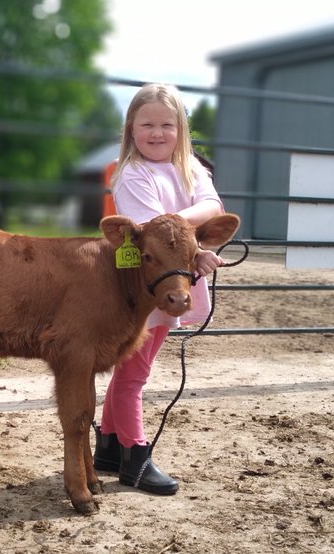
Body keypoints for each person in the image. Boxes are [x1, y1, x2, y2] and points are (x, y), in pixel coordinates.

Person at [94, 83, 227, 495]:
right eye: (147, 123)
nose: (157, 133)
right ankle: (135, 457)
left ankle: (109, 447)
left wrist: (189, 243)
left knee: (133, 368)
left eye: (167, 125)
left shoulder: (191, 169)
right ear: (131, 127)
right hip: (146, 286)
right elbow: (154, 237)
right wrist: (194, 244)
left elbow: (213, 208)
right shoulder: (131, 173)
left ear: (181, 129)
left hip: (176, 281)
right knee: (135, 373)